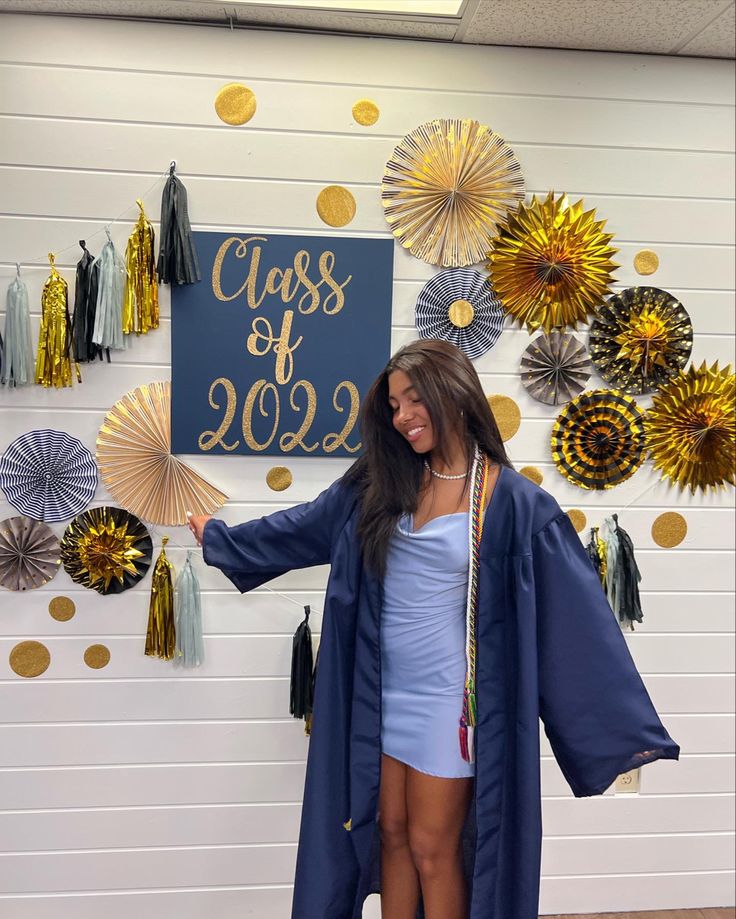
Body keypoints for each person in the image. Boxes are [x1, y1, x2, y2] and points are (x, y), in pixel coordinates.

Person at [188, 339, 679, 919]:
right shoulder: (384, 481)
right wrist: (221, 539)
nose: (402, 416)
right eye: (393, 405)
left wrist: (617, 731)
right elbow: (305, 525)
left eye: (415, 399)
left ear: (458, 395)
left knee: (432, 847)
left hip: (453, 706)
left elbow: (576, 623)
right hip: (381, 695)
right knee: (390, 834)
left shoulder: (513, 504)